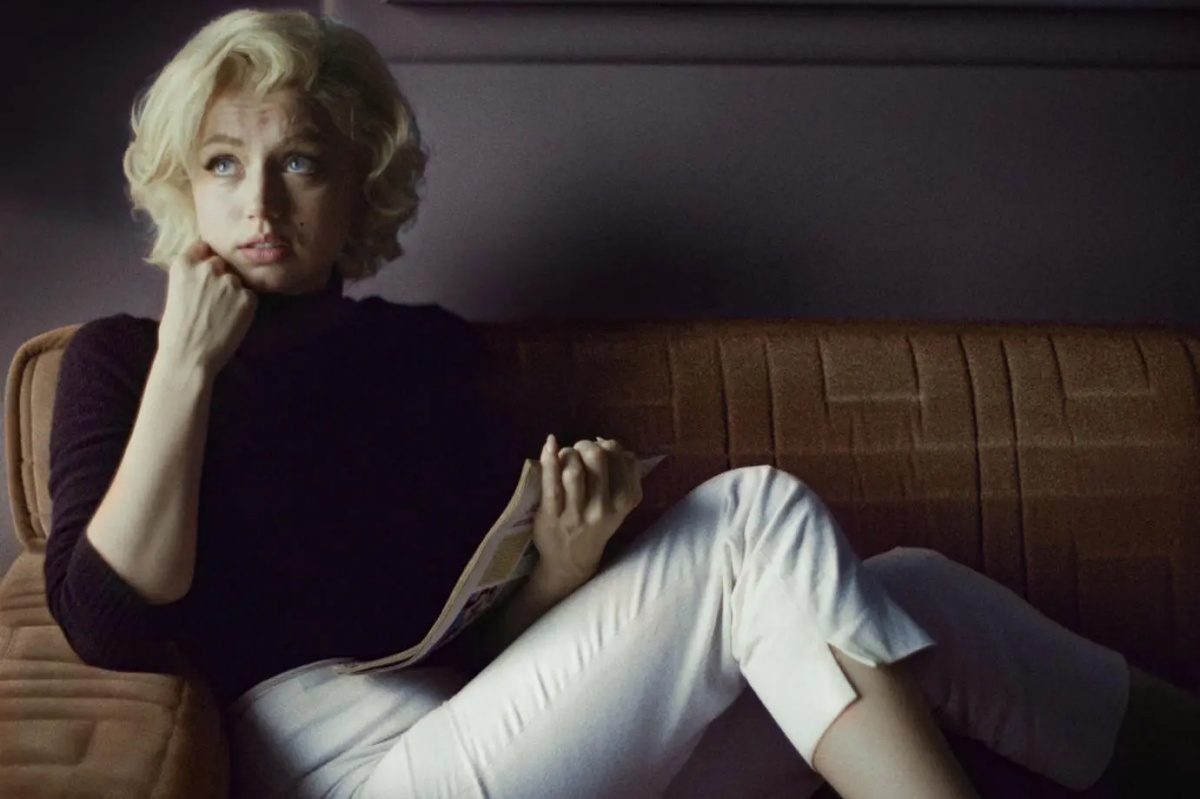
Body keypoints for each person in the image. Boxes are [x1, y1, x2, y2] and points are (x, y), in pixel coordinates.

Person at [42, 8, 1197, 799]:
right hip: (344, 769)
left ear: (358, 186)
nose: (260, 202)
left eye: (299, 162)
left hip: (514, 738)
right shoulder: (122, 359)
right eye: (223, 163)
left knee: (919, 594)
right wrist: (187, 368)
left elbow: (480, 644)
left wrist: (562, 556)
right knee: (751, 515)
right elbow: (106, 618)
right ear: (185, 184)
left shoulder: (420, 356)